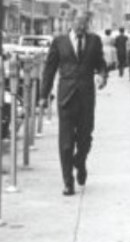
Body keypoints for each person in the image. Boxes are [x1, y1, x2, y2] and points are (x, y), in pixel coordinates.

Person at [40, 12, 109, 196]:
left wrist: (102, 76)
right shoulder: (59, 42)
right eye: (78, 23)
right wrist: (43, 95)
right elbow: (49, 69)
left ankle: (80, 162)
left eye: (85, 23)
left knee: (85, 138)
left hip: (86, 97)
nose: (81, 27)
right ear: (71, 22)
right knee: (66, 143)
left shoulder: (94, 41)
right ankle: (68, 182)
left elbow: (101, 64)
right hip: (66, 98)